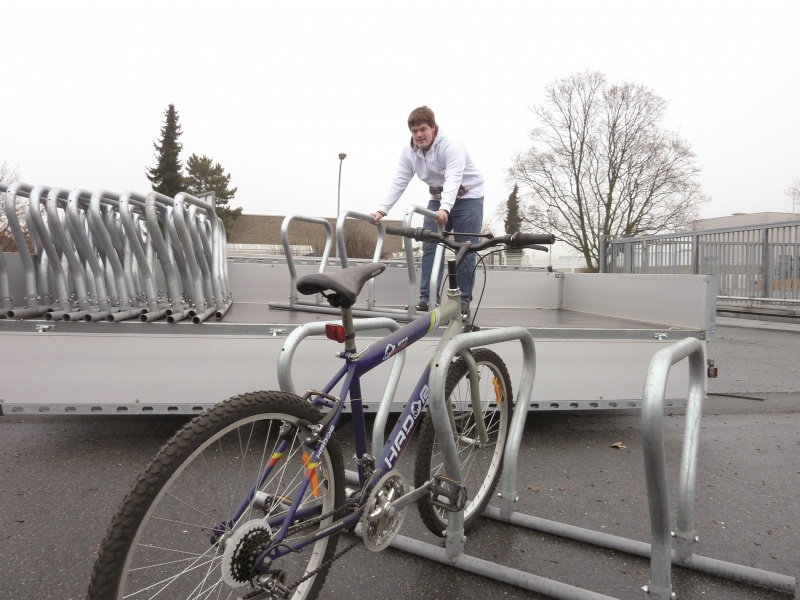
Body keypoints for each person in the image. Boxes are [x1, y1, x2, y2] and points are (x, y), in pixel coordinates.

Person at [371, 106, 484, 317]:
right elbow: (400, 180)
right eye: (414, 131)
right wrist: (382, 209)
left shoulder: (452, 147)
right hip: (438, 199)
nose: (419, 135)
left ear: (433, 127)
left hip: (468, 198)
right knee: (430, 246)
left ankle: (462, 302)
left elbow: (453, 178)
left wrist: (445, 208)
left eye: (423, 129)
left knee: (465, 249)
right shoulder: (410, 152)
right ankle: (428, 298)